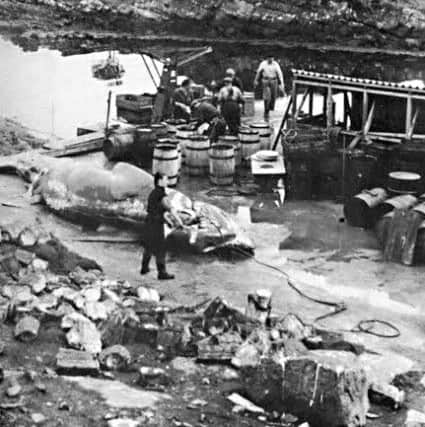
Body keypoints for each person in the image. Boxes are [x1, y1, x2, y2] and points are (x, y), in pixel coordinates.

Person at [140, 173, 183, 280]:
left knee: (148, 246)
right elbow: (170, 209)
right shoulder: (161, 195)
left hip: (149, 222)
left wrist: (168, 221)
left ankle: (144, 268)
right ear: (159, 181)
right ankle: (162, 273)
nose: (167, 182)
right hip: (156, 225)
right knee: (160, 249)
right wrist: (179, 221)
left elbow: (157, 211)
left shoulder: (153, 193)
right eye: (165, 180)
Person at [254, 55, 285, 120]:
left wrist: (281, 84)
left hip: (274, 80)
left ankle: (270, 108)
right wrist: (256, 80)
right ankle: (266, 110)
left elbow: (280, 74)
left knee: (273, 96)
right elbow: (258, 72)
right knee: (266, 96)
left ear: (273, 58)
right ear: (267, 58)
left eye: (271, 58)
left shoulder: (276, 64)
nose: (270, 60)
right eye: (269, 58)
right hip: (265, 80)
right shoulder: (263, 64)